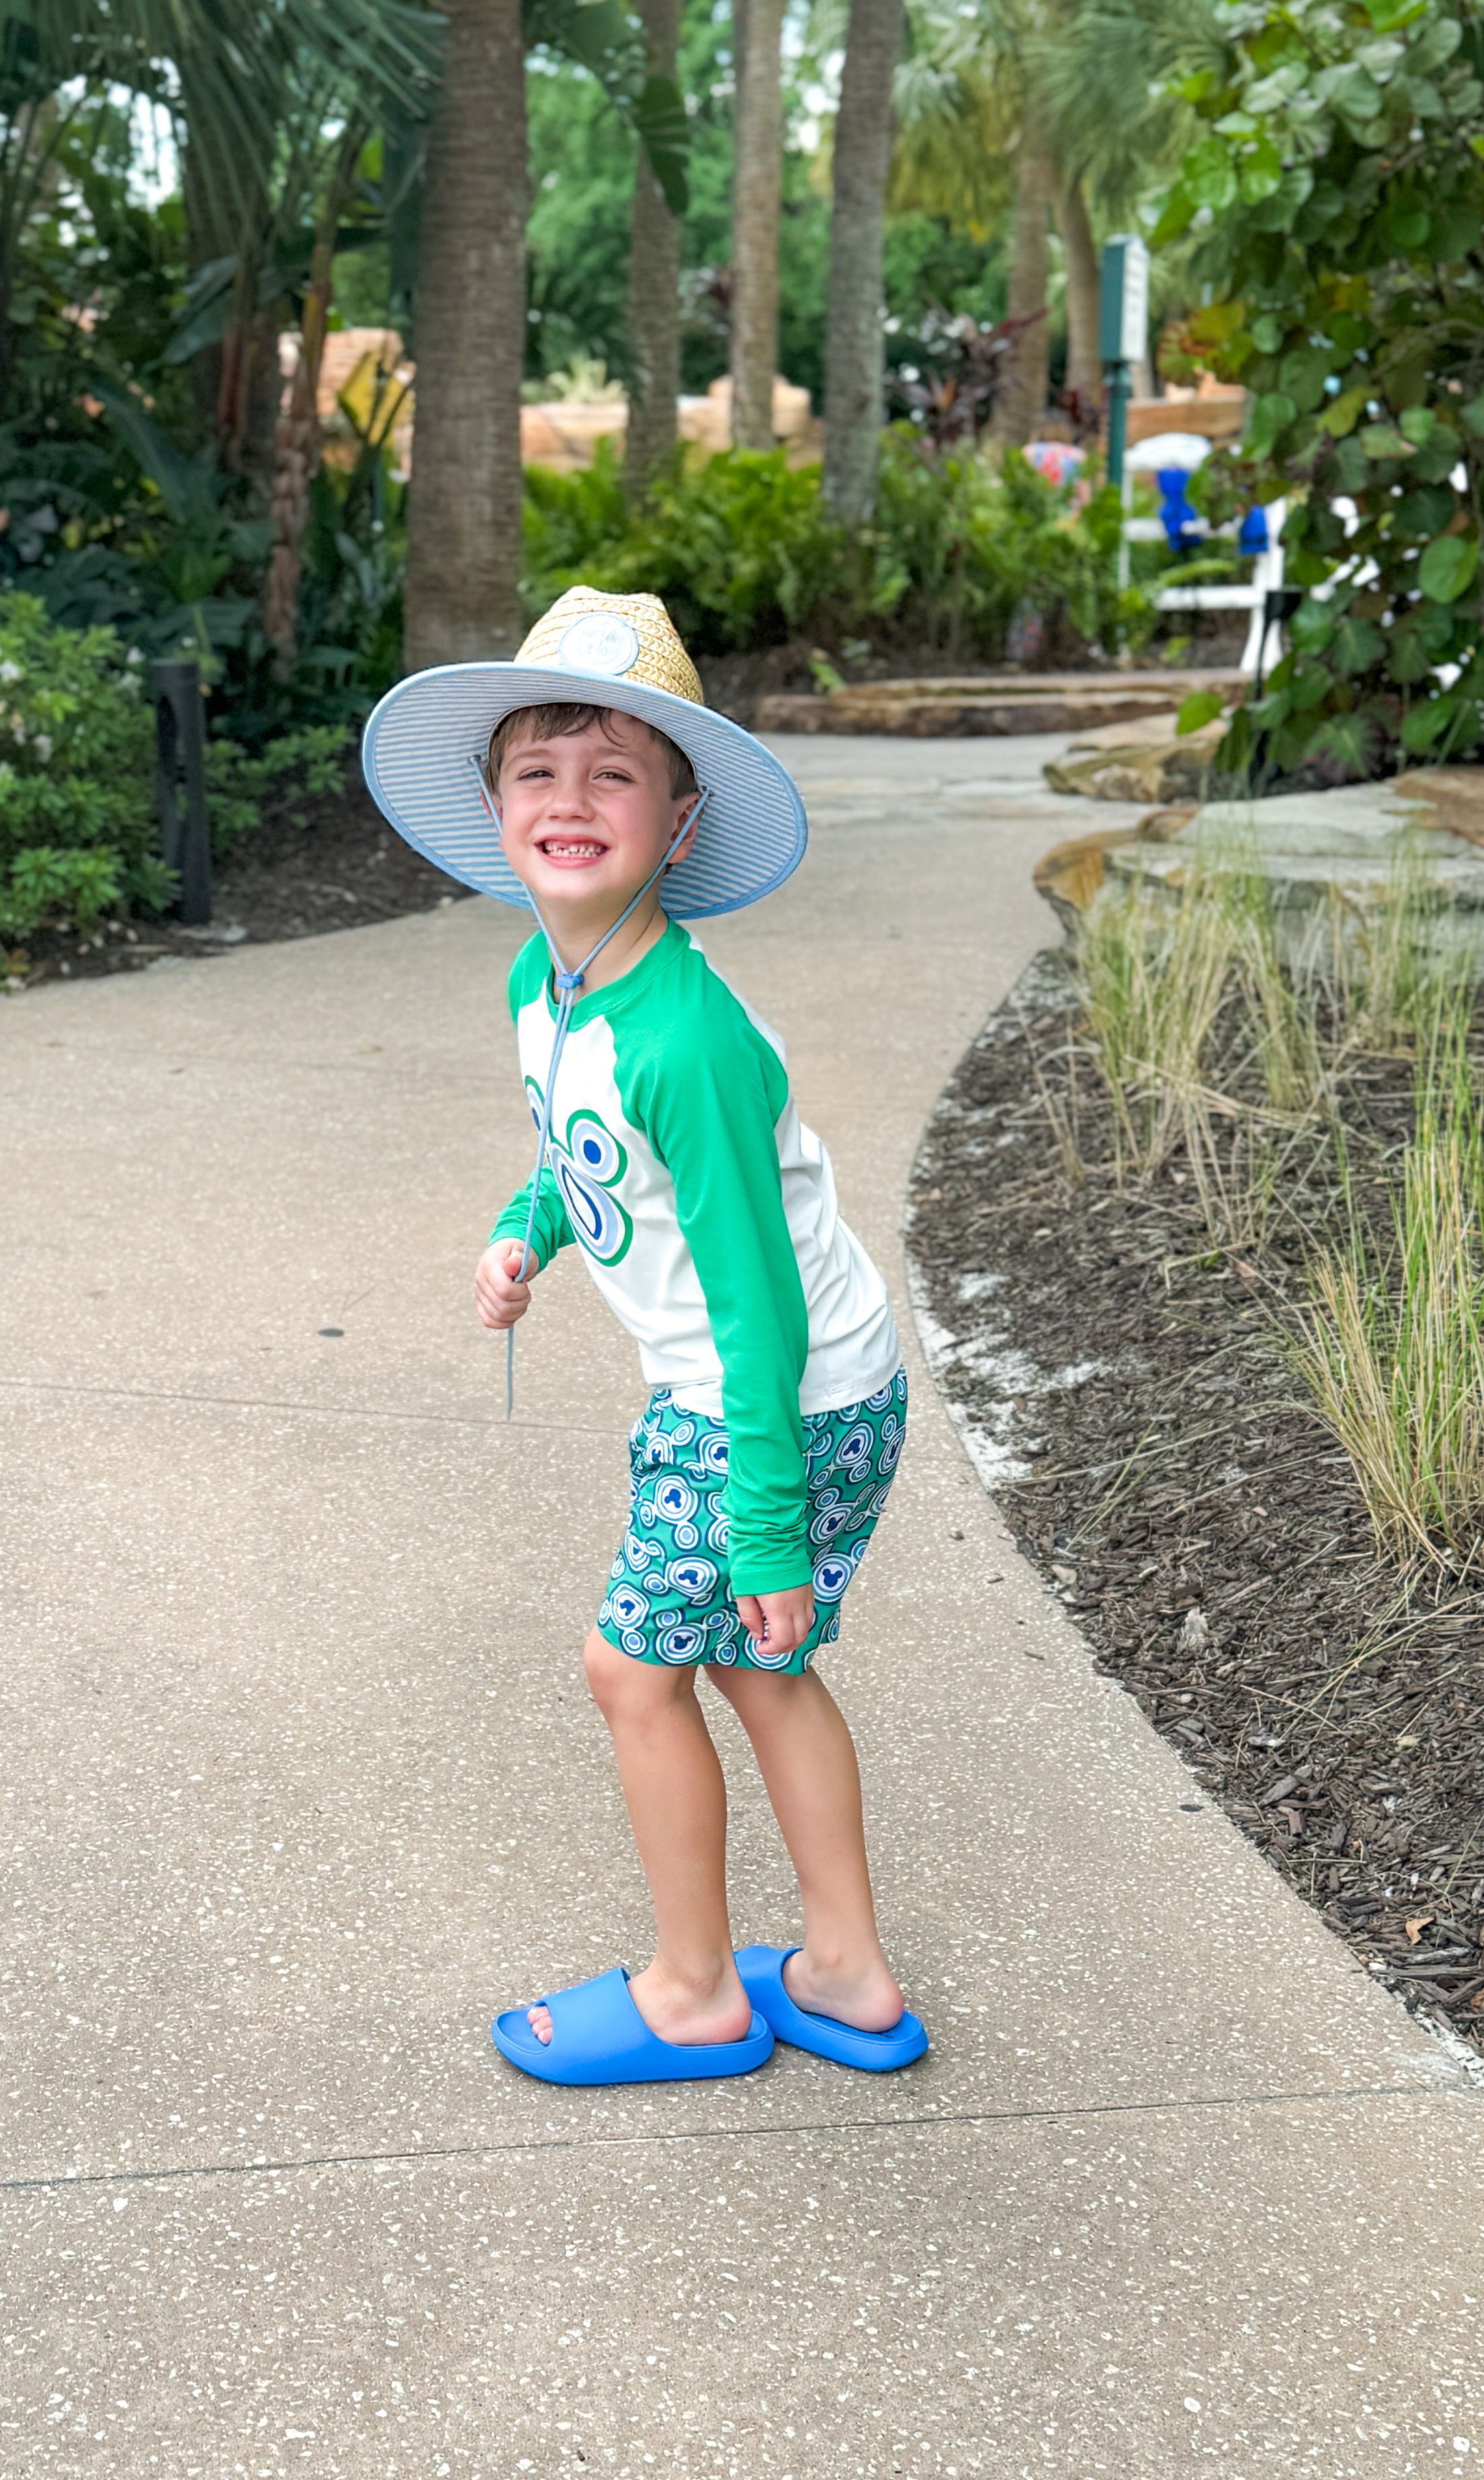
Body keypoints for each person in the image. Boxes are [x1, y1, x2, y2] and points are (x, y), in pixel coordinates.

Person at [361, 587, 926, 2088]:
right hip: (800, 1390)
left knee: (636, 1671)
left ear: (679, 823)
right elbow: (576, 1147)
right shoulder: (547, 989)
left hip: (775, 1401)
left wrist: (763, 1531)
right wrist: (524, 1229)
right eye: (539, 771)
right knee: (758, 1669)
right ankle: (846, 1972)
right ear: (492, 808)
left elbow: (761, 1312)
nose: (571, 800)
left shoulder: (690, 1040)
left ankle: (692, 1989)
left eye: (615, 773)